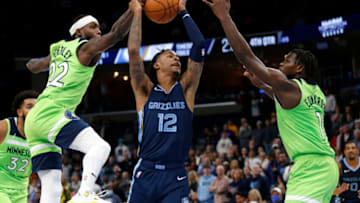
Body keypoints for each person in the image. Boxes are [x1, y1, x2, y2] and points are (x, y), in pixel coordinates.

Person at [202, 0, 338, 202]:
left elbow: (246, 57)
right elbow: (284, 100)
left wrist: (224, 17)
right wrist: (262, 85)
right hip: (325, 165)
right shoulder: (314, 91)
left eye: (289, 58)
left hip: (311, 167)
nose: (283, 58)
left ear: (300, 69)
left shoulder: (290, 87)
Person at [24, 4, 134, 203]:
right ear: (79, 32)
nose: (98, 31)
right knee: (100, 148)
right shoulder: (85, 46)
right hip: (52, 112)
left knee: (52, 188)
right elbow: (116, 34)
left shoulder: (58, 49)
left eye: (99, 27)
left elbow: (33, 66)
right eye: (93, 27)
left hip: (34, 119)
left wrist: (34, 62)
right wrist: (133, 9)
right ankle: (84, 194)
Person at [126, 0, 205, 201]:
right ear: (157, 66)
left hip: (175, 174)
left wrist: (183, 11)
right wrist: (137, 12)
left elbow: (199, 44)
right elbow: (134, 52)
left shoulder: (186, 89)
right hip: (146, 171)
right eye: (170, 56)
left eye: (177, 56)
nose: (176, 58)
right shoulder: (144, 91)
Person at [0, 90, 38, 203]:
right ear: (19, 111)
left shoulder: (40, 137)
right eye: (29, 106)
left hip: (21, 192)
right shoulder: (4, 128)